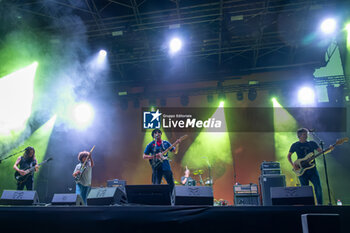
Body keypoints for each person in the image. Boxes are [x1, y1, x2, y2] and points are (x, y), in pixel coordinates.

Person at [287, 128, 323, 205]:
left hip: (312, 169)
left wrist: (328, 149)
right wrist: (293, 164)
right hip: (301, 170)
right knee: (305, 189)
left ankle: (320, 205)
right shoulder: (295, 145)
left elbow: (321, 151)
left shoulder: (312, 143)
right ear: (299, 135)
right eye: (304, 134)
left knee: (318, 187)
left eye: (306, 134)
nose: (306, 135)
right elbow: (289, 156)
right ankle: (308, 205)